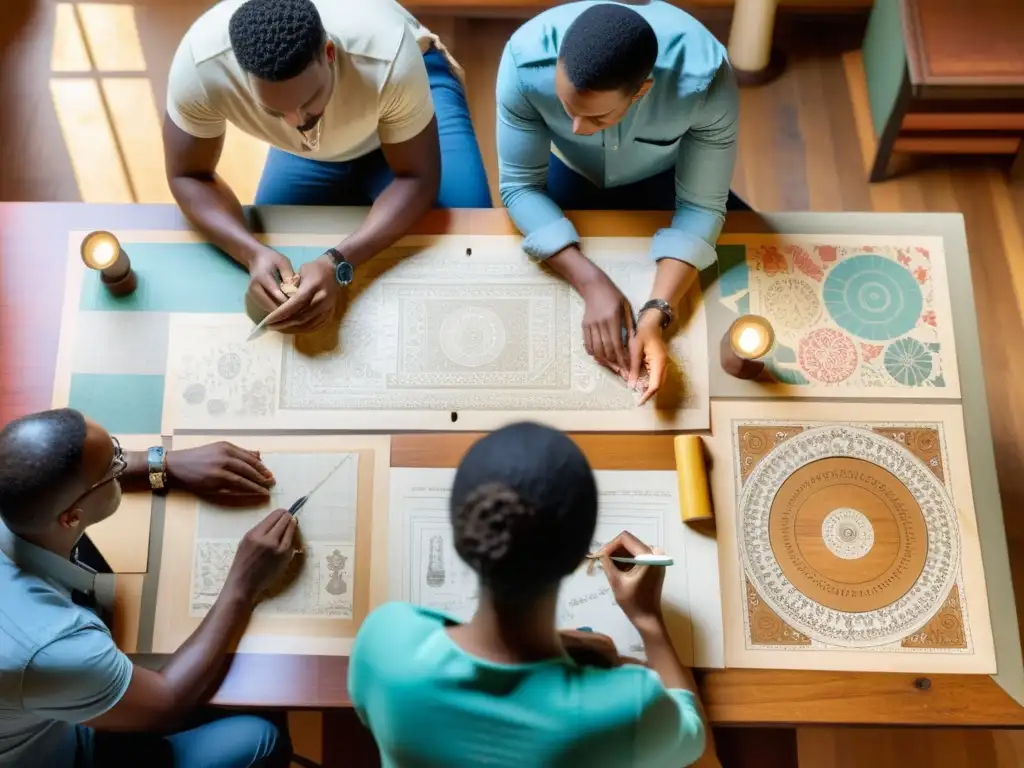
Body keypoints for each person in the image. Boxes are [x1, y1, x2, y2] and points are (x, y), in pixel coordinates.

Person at [349, 422, 709, 767]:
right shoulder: (629, 707)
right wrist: (647, 619)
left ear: (462, 541)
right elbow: (691, 740)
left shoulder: (385, 643)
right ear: (582, 555)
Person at [164, 0, 491, 336]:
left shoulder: (387, 52)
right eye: (275, 111)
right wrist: (251, 253)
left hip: (408, 93)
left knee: (476, 249)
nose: (297, 123)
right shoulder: (200, 67)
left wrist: (337, 262)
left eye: (308, 101)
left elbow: (417, 177)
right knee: (281, 266)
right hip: (311, 156)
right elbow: (188, 175)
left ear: (329, 53)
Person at [0, 408, 298, 767]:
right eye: (114, 467)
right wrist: (244, 582)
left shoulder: (14, 484)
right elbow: (166, 705)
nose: (123, 463)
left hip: (41, 694)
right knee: (261, 735)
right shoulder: (52, 644)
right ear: (71, 517)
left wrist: (164, 464)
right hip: (57, 750)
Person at [497, 2, 743, 404]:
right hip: (569, 175)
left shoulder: (706, 82)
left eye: (596, 119)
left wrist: (655, 314)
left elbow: (700, 207)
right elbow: (520, 186)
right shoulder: (525, 63)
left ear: (642, 90)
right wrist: (591, 282)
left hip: (665, 179)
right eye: (566, 109)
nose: (577, 128)